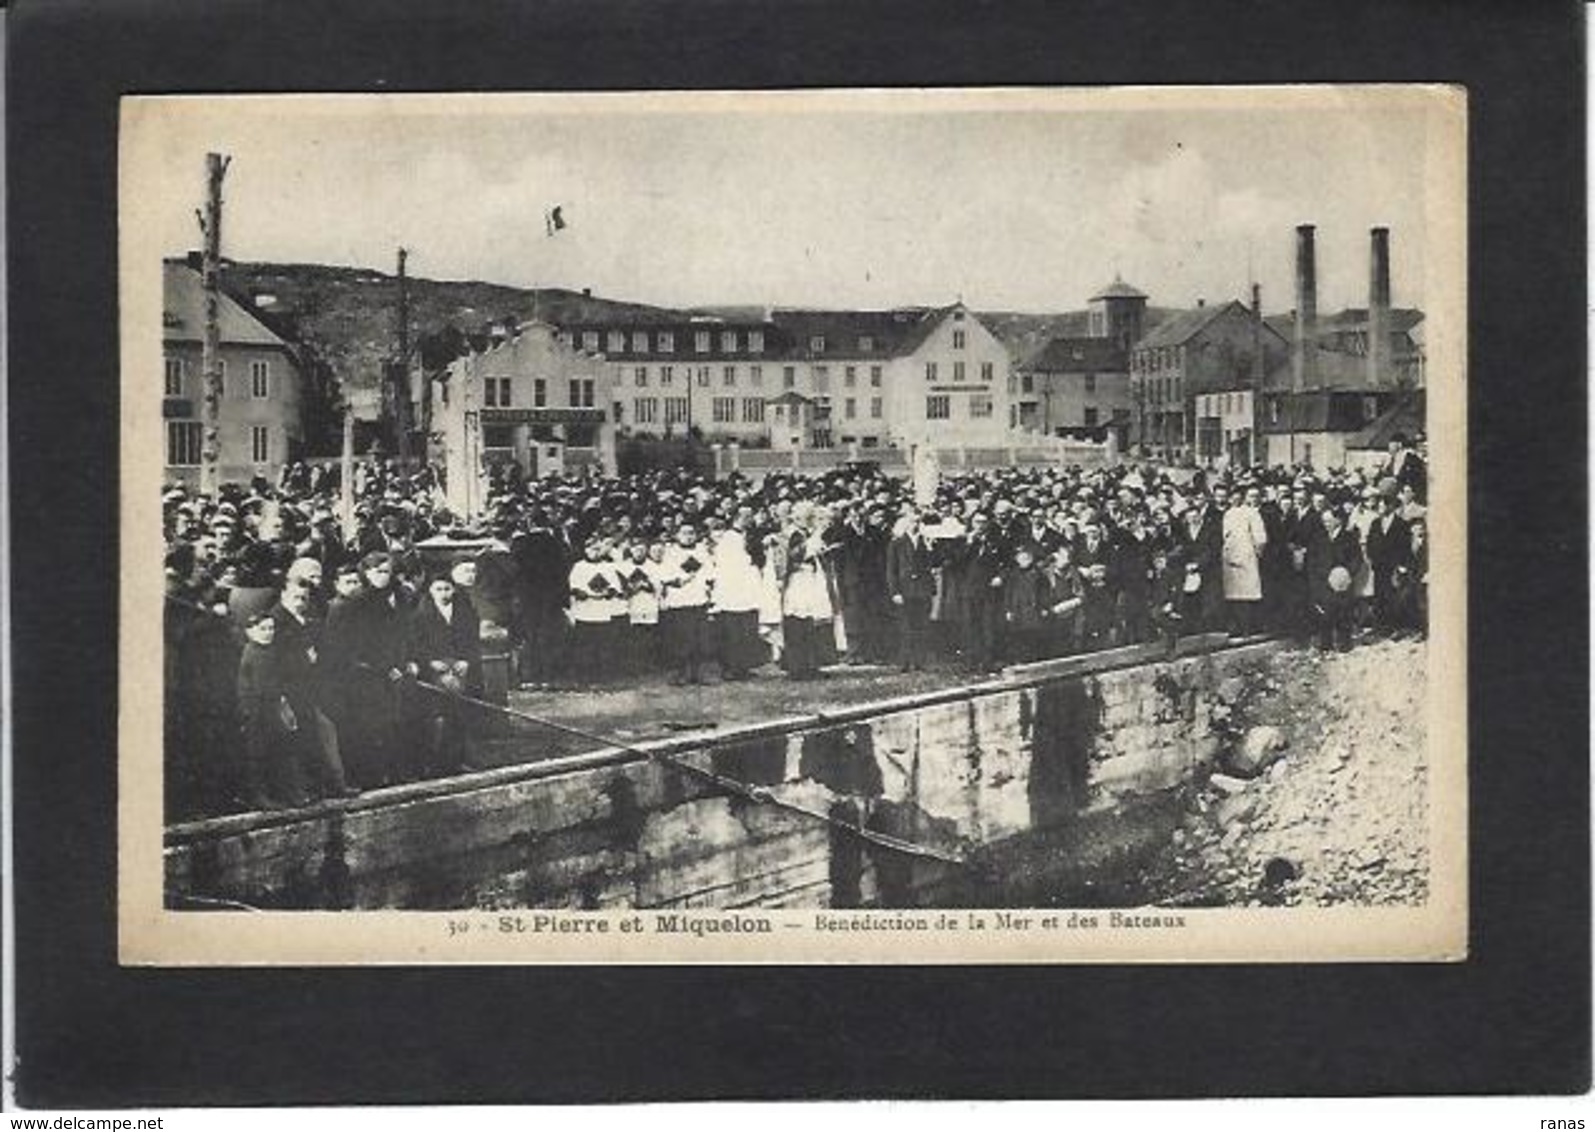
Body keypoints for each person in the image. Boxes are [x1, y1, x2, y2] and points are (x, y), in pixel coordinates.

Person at [234, 611, 302, 809]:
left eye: (271, 628)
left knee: (280, 751)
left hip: (271, 708)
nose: (268, 633)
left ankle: (287, 793)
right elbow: (254, 689)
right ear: (250, 632)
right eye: (263, 629)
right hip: (256, 711)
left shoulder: (270, 651)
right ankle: (259, 797)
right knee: (258, 754)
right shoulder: (252, 653)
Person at [780, 505, 836, 679]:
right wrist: (811, 544)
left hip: (808, 580)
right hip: (797, 581)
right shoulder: (791, 534)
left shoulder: (804, 533)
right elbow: (792, 556)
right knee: (797, 623)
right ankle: (797, 667)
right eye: (807, 517)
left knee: (809, 624)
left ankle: (810, 665)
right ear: (797, 518)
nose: (810, 520)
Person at [711, 510, 767, 680]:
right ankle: (730, 668)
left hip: (748, 588)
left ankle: (744, 667)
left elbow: (758, 558)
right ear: (737, 518)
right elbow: (726, 564)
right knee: (732, 631)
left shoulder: (750, 536)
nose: (750, 519)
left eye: (751, 516)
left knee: (747, 629)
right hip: (732, 590)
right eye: (746, 517)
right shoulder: (727, 538)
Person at [659, 523, 714, 685]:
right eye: (685, 533)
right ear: (677, 535)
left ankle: (697, 673)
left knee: (699, 638)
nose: (689, 536)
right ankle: (679, 673)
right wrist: (680, 580)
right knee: (681, 638)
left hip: (698, 599)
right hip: (679, 600)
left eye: (692, 533)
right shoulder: (671, 553)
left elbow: (710, 573)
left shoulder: (702, 552)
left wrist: (707, 585)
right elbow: (665, 576)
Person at [885, 508, 936, 672]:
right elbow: (891, 570)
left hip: (922, 590)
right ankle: (905, 662)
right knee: (905, 627)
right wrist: (895, 592)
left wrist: (930, 549)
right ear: (906, 523)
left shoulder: (925, 542)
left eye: (918, 521)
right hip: (904, 590)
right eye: (912, 521)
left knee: (922, 626)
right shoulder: (896, 543)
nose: (915, 525)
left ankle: (919, 661)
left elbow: (932, 565)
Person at [1305, 507, 1362, 652]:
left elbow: (1357, 559)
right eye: (1324, 521)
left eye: (1329, 521)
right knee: (1325, 613)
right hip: (1323, 580)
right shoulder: (1318, 538)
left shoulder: (1349, 537)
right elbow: (1311, 560)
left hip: (1342, 582)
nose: (1326, 524)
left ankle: (1344, 644)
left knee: (1344, 613)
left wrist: (1346, 573)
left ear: (1338, 520)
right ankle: (1326, 644)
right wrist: (1318, 578)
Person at [1221, 485, 1269, 636]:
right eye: (1232, 496)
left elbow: (1260, 538)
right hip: (1229, 556)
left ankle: (1250, 628)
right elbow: (1225, 536)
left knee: (1248, 592)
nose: (1234, 499)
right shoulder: (1228, 514)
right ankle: (1236, 627)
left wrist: (1256, 553)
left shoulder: (1252, 513)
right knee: (1233, 593)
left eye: (1237, 496)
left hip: (1246, 555)